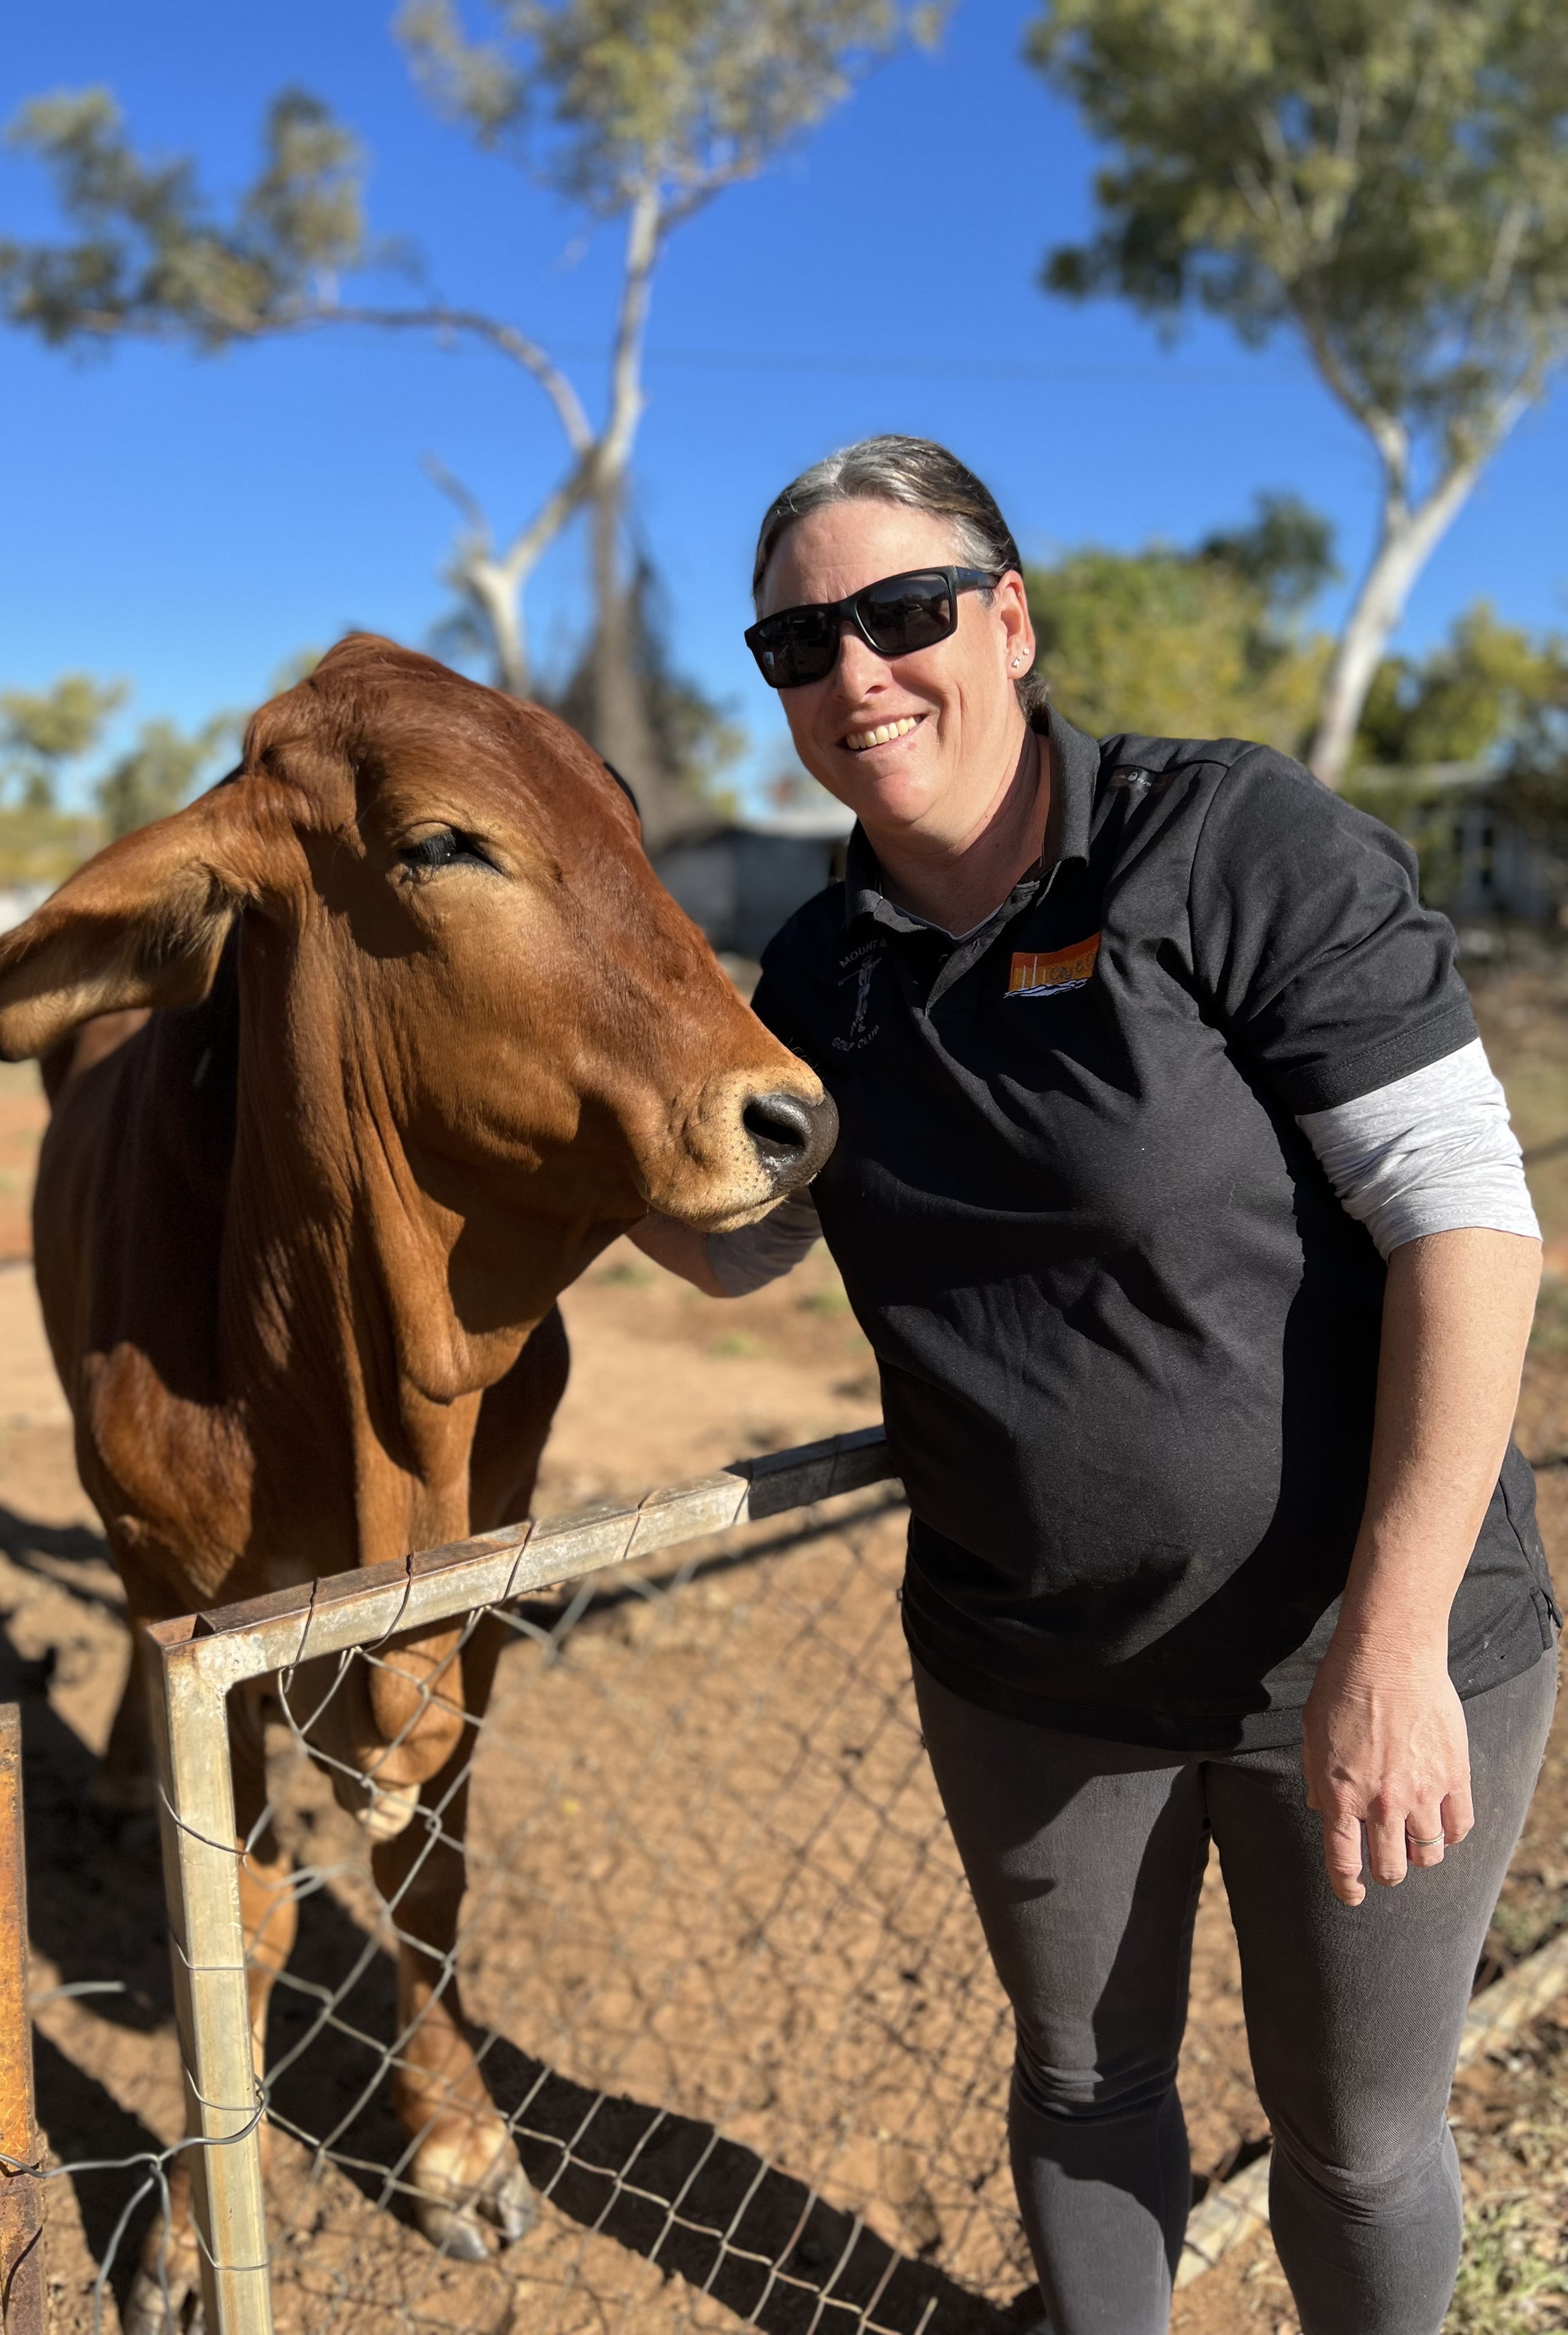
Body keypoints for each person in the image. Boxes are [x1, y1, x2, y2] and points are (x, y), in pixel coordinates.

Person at [632, 435, 1560, 2335]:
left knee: (1357, 2143)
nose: (858, 673)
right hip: (1033, 1672)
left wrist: (1390, 1647)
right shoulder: (819, 970)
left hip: (1360, 1653)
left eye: (902, 613)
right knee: (1081, 2082)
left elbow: (1467, 1217)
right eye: (799, 644)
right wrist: (550, 1128)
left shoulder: (1221, 845)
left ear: (1011, 619)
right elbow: (743, 1241)